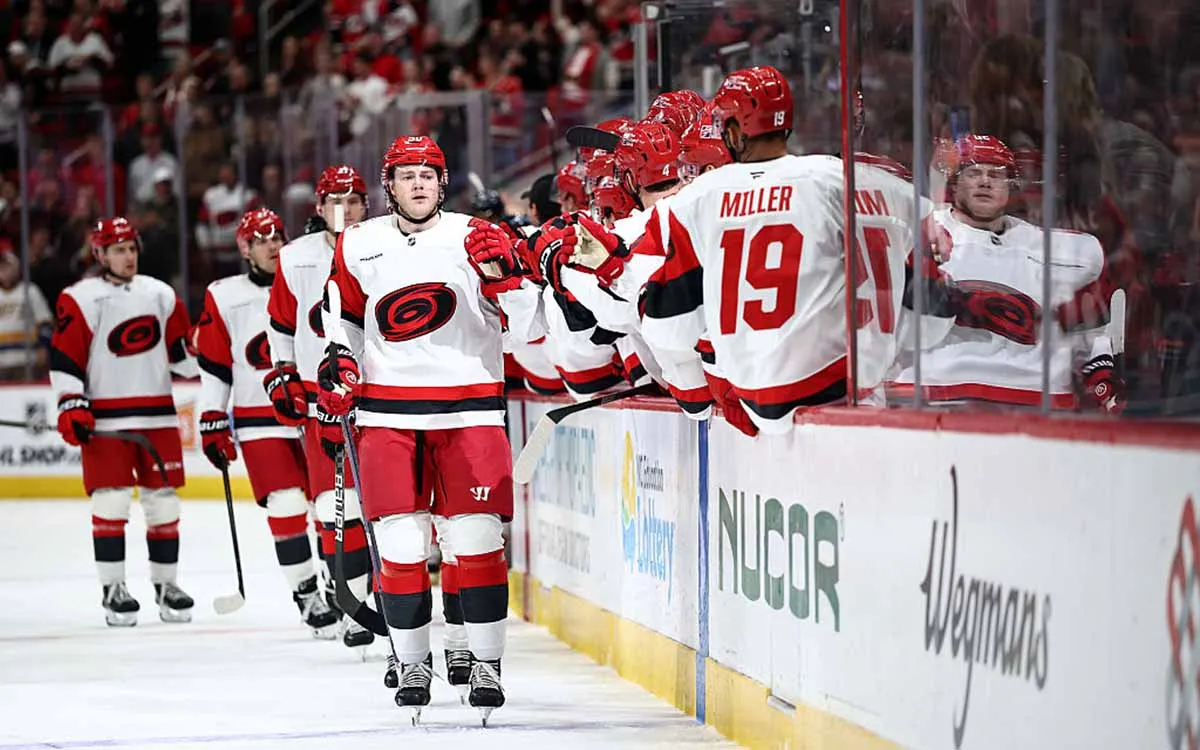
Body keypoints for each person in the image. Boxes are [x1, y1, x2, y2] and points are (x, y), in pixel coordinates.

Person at [316, 135, 544, 722]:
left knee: (474, 538)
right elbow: (339, 317)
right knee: (401, 543)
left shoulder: (476, 235)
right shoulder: (358, 242)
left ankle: (486, 663)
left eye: (428, 174)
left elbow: (530, 328)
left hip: (469, 410)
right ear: (387, 185)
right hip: (387, 414)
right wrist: (339, 362)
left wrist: (509, 280)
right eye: (406, 175)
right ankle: (413, 660)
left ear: (443, 183)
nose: (418, 183)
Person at [638, 65, 919, 435]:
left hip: (754, 394)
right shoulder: (837, 177)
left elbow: (669, 326)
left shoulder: (699, 197)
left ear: (735, 130)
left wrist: (714, 371)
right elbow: (931, 254)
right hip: (845, 389)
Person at [887, 135, 1122, 413]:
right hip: (937, 393)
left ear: (1011, 187)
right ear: (955, 183)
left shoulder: (1058, 249)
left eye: (995, 175)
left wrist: (1100, 373)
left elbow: (1088, 338)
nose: (985, 181)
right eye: (974, 173)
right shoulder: (916, 236)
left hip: (1034, 397)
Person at [193, 208, 340, 639]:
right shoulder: (223, 295)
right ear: (245, 247)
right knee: (286, 505)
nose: (273, 245)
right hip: (261, 420)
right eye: (262, 239)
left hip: (313, 409)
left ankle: (338, 583)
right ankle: (307, 592)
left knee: (331, 506)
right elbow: (215, 365)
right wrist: (213, 416)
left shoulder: (304, 276)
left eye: (278, 236)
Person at [49, 217, 197, 626]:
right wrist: (71, 403)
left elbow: (181, 355)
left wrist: (211, 351)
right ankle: (113, 588)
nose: (128, 256)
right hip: (107, 419)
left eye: (131, 248)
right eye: (118, 249)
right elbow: (64, 358)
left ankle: (167, 585)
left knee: (164, 504)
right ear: (99, 254)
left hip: (157, 416)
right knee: (111, 502)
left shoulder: (161, 294)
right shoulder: (79, 298)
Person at [263, 166, 381, 656]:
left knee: (387, 509)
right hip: (323, 403)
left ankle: (379, 595)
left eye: (354, 200)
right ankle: (354, 601)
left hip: (382, 398)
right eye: (336, 200)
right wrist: (282, 373)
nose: (345, 209)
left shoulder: (385, 245)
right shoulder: (295, 258)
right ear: (318, 206)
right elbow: (280, 325)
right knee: (342, 508)